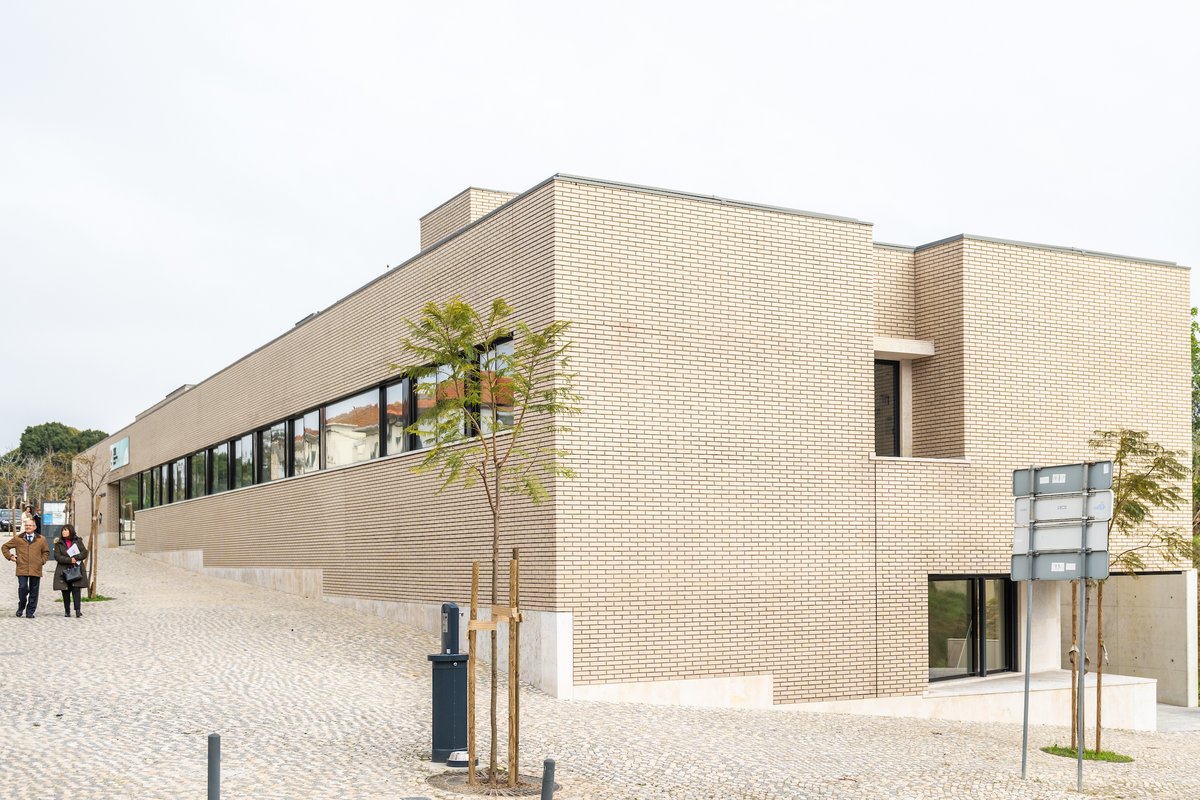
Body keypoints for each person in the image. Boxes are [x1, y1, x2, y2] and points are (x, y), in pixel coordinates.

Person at [2, 515, 49, 618]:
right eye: (26, 525)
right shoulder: (18, 538)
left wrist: (42, 561)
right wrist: (10, 557)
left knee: (34, 591)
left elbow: (46, 552)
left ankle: (30, 612)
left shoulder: (41, 539)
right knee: (23, 588)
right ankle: (21, 606)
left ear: (34, 527)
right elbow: (5, 547)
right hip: (22, 567)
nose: (28, 527)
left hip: (36, 568)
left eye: (30, 525)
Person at [53, 524, 88, 618]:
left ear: (70, 531)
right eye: (63, 530)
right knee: (65, 590)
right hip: (63, 570)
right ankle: (67, 611)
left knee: (76, 589)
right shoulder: (58, 543)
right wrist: (69, 560)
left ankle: (78, 610)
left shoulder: (78, 541)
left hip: (76, 568)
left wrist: (76, 558)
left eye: (66, 530)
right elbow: (57, 556)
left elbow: (84, 552)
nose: (64, 532)